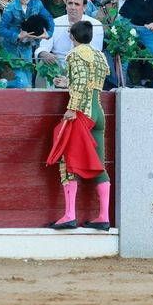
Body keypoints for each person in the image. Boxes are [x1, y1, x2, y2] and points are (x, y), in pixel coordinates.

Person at [48, 20, 111, 231]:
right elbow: (94, 82)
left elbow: (82, 81)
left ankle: (69, 215)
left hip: (82, 113)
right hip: (98, 113)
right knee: (99, 163)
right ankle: (103, 216)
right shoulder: (99, 56)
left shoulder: (75, 55)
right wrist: (69, 83)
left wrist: (72, 108)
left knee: (68, 160)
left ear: (72, 38)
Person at [0, 0, 55, 88]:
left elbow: (48, 18)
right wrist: (17, 36)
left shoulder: (36, 4)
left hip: (28, 48)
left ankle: (5, 85)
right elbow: (1, 29)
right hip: (13, 49)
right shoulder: (11, 8)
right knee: (24, 84)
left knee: (29, 84)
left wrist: (48, 33)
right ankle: (3, 85)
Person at [36, 0, 103, 70]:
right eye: (70, 3)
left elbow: (95, 54)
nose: (73, 7)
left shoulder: (95, 25)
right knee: (43, 63)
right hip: (58, 68)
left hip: (85, 68)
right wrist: (43, 53)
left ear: (84, 7)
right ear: (66, 5)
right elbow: (43, 47)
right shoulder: (54, 23)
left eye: (77, 4)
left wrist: (76, 34)